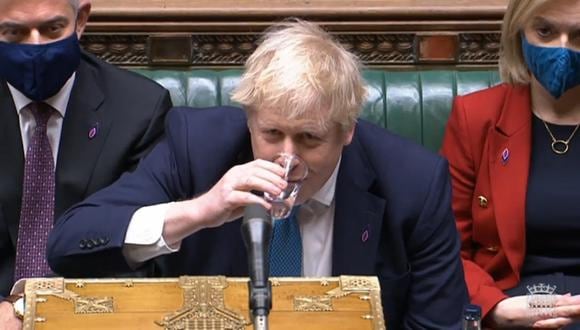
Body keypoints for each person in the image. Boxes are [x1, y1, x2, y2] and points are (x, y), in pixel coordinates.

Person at [47, 19, 467, 328]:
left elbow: (437, 322)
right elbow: (69, 245)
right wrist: (201, 211)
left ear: (347, 130)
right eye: (271, 133)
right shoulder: (198, 148)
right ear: (248, 120)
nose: (287, 158)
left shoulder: (414, 182)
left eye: (309, 138)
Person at [0, 0, 172, 326]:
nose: (35, 47)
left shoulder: (139, 111)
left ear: (81, 20)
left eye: (52, 29)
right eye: (15, 32)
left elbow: (142, 256)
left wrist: (31, 308)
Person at [441, 0, 580, 328]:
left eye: (579, 35)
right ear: (519, 34)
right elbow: (444, 246)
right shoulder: (475, 118)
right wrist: (495, 308)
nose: (562, 50)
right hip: (511, 305)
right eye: (544, 31)